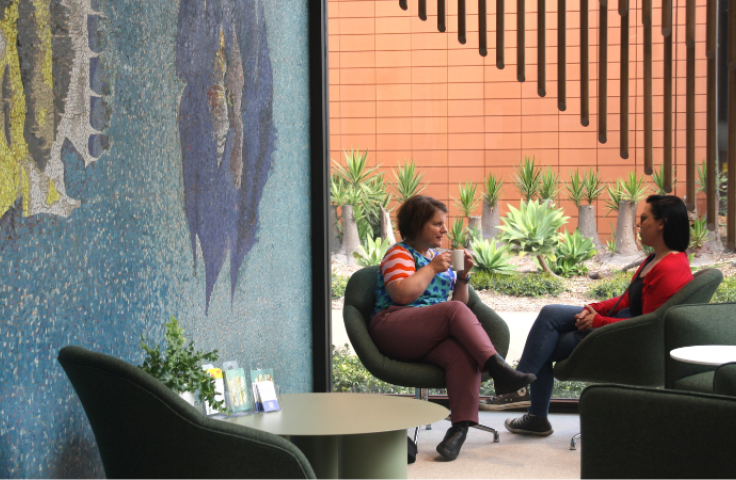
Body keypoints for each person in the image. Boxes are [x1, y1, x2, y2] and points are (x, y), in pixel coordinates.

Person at [483, 195, 693, 436]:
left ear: (661, 223)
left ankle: (532, 410)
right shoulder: (656, 258)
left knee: (547, 345)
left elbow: (647, 325)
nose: (639, 225)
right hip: (619, 323)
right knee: (550, 313)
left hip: (627, 338)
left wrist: (598, 322)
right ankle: (521, 392)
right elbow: (628, 299)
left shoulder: (670, 268)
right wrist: (593, 309)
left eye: (643, 219)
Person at [369, 195, 536, 461]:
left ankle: (459, 429)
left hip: (427, 335)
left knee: (462, 353)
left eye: (443, 224)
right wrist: (433, 268)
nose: (445, 230)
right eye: (437, 224)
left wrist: (462, 278)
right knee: (456, 313)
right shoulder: (398, 253)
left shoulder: (439, 258)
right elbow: (401, 294)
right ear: (416, 225)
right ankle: (498, 368)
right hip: (393, 327)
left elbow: (456, 306)